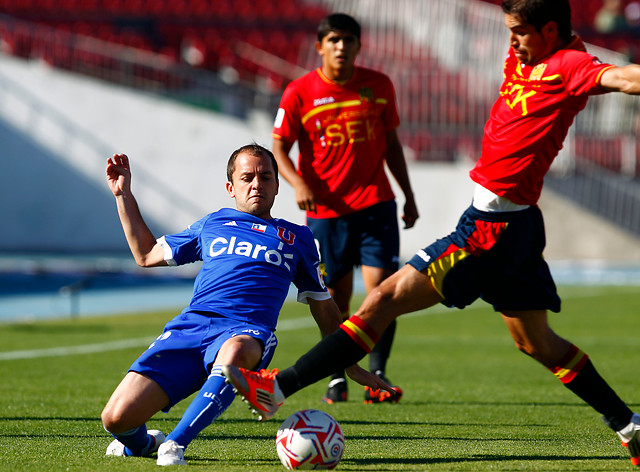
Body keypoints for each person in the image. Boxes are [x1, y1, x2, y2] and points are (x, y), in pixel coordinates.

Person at [223, 0, 640, 466]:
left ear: (548, 30)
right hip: (517, 226)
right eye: (510, 31)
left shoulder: (571, 65)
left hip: (491, 229)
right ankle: (629, 424)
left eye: (521, 31)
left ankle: (276, 387)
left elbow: (624, 79)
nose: (513, 40)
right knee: (536, 343)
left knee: (381, 300)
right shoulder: (523, 56)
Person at [100, 144, 387, 466]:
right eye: (247, 177)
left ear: (277, 185)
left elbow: (324, 308)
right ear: (231, 187)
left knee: (234, 353)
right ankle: (143, 444)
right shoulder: (212, 224)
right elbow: (146, 254)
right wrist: (123, 195)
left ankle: (175, 445)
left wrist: (348, 363)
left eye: (265, 177)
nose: (256, 184)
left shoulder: (298, 238)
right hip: (190, 328)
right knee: (115, 418)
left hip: (248, 332)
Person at [271, 12, 419, 404]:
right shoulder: (298, 92)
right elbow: (279, 148)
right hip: (326, 212)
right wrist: (299, 183)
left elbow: (392, 145)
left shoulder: (379, 86)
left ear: (358, 45)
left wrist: (408, 194)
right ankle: (336, 375)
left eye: (348, 39)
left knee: (384, 293)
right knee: (334, 298)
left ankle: (379, 374)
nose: (341, 46)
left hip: (376, 205)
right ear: (320, 46)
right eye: (333, 40)